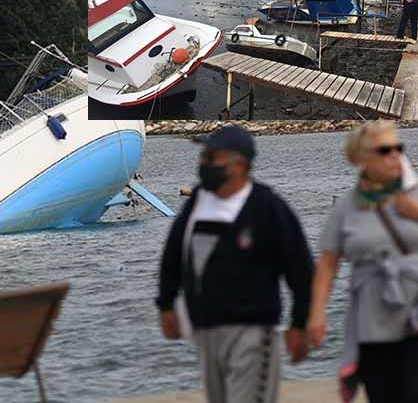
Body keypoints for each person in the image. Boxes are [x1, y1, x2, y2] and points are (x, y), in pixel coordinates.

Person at [156, 125, 313, 403]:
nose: (203, 164)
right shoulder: (197, 202)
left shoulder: (268, 208)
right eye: (203, 157)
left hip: (253, 330)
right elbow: (174, 254)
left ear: (239, 164)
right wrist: (166, 304)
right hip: (205, 329)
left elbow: (300, 269)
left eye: (211, 157)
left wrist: (300, 323)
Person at [308, 121, 418, 403]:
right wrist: (317, 314)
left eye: (398, 148)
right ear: (362, 159)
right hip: (373, 322)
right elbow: (328, 263)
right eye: (384, 150)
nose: (394, 155)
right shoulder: (347, 206)